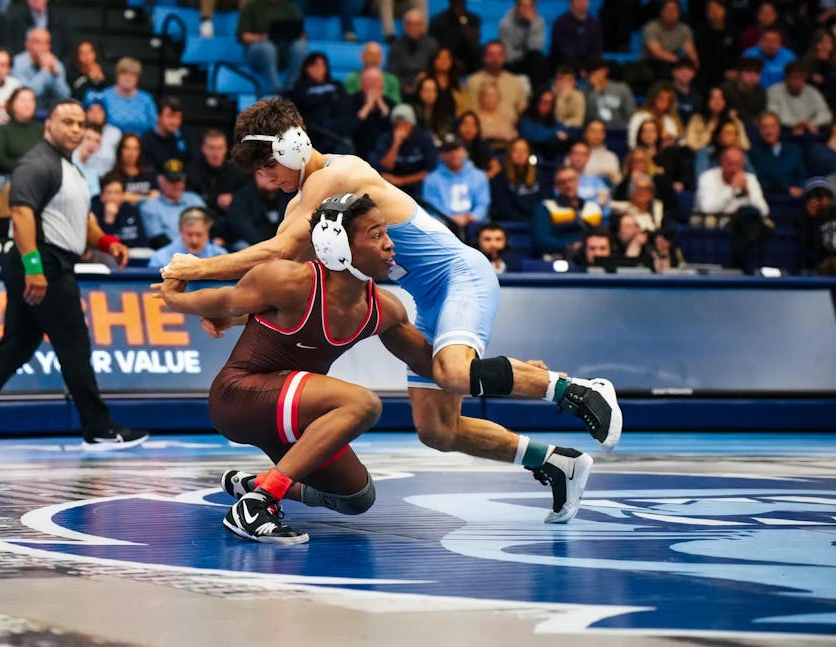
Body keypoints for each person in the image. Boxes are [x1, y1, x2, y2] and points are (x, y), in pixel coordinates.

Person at [161, 99, 621, 522]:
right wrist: (233, 314)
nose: (268, 178)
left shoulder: (336, 178)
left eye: (268, 166)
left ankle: (575, 390)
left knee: (453, 373)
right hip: (427, 295)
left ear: (293, 143)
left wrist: (197, 266)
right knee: (437, 429)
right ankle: (555, 462)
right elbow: (289, 276)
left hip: (460, 275)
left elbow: (280, 252)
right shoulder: (307, 197)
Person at [153, 194, 440, 542]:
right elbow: (220, 301)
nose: (389, 244)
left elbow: (433, 365)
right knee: (362, 404)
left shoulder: (384, 308)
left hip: (288, 414)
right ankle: (258, 504)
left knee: (356, 498)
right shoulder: (289, 280)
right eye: (376, 234)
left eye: (386, 233)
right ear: (338, 244)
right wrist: (173, 294)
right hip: (239, 396)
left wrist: (502, 372)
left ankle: (256, 484)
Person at [0, 98, 146, 453]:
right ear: (49, 125)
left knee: (16, 346)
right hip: (42, 263)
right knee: (73, 343)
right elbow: (21, 214)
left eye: (80, 123)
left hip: (45, 262)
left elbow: (82, 221)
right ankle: (99, 428)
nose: (76, 129)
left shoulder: (70, 168)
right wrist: (34, 267)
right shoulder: (38, 163)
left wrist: (108, 242)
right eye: (67, 122)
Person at [421, 132, 489, 235]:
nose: (453, 154)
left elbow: (483, 203)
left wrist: (473, 217)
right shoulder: (431, 179)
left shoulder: (479, 176)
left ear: (465, 151)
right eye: (448, 150)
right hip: (443, 227)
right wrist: (451, 218)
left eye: (457, 149)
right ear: (440, 155)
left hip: (475, 226)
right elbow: (432, 207)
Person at [236, 0, 309, 93]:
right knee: (267, 47)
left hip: (284, 50)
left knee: (300, 46)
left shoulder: (290, 8)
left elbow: (302, 34)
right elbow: (243, 36)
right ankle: (276, 88)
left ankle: (292, 87)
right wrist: (263, 37)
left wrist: (299, 36)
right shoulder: (251, 7)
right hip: (258, 51)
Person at [532, 164, 605, 256]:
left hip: (592, 256)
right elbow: (542, 239)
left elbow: (603, 236)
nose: (568, 185)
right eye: (562, 182)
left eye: (571, 180)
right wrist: (569, 246)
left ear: (578, 182)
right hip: (560, 256)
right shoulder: (546, 207)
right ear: (556, 186)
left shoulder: (593, 207)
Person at [369, 104, 439, 200]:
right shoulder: (385, 139)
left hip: (418, 188)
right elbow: (384, 167)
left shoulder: (424, 139)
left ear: (412, 124)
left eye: (405, 123)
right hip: (392, 189)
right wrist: (396, 144)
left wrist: (402, 181)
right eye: (397, 123)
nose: (401, 126)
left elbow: (430, 171)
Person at [138, 158, 207, 248]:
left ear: (184, 180)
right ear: (161, 180)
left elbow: (208, 226)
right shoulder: (150, 206)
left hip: (201, 248)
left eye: (179, 180)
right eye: (171, 181)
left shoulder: (194, 199)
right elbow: (158, 240)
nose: (176, 185)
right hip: (170, 254)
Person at [185, 128, 246, 225]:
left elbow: (247, 194)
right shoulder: (192, 170)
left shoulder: (235, 171)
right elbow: (189, 198)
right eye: (211, 148)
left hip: (231, 221)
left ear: (226, 149)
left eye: (220, 148)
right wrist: (215, 200)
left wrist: (233, 198)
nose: (216, 153)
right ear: (203, 148)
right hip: (200, 220)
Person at [221, 169, 292, 248]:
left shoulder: (289, 194)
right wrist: (268, 246)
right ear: (254, 176)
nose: (269, 178)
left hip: (281, 243)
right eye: (262, 174)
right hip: (253, 244)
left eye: (273, 173)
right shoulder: (243, 197)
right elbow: (244, 229)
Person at [746, 110, 808, 197]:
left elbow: (802, 175)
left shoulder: (793, 149)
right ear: (759, 130)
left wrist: (800, 188)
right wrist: (786, 188)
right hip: (769, 197)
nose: (769, 131)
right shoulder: (752, 151)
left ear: (779, 128)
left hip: (794, 197)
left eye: (773, 126)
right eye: (764, 127)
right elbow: (760, 179)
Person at [766, 61, 833, 136]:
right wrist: (796, 124)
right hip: (784, 132)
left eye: (802, 79)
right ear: (786, 78)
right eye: (795, 78)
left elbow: (826, 114)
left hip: (810, 131)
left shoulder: (812, 91)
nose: (799, 82)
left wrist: (810, 124)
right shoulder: (774, 91)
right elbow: (773, 115)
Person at [11, 27, 71, 111]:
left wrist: (55, 75)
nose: (43, 47)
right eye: (37, 42)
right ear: (27, 44)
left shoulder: (55, 63)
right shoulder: (17, 63)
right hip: (25, 110)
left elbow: (65, 96)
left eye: (46, 43)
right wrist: (45, 70)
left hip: (50, 110)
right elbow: (28, 94)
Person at [148, 206, 227, 268]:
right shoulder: (160, 258)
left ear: (208, 231)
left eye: (199, 234)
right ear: (180, 230)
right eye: (189, 234)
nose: (194, 241)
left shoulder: (221, 256)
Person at [498, 0, 549, 91]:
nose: (527, 10)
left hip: (529, 60)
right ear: (516, 7)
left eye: (530, 7)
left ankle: (539, 94)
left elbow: (535, 48)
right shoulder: (505, 23)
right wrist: (524, 54)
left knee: (538, 59)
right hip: (512, 62)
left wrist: (531, 24)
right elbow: (508, 55)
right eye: (524, 7)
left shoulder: (538, 21)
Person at [386, 8, 438, 96]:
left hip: (426, 88)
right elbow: (392, 72)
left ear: (423, 26)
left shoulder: (432, 45)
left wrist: (420, 82)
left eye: (417, 24)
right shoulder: (396, 46)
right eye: (409, 24)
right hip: (402, 89)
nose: (414, 28)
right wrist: (405, 86)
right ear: (405, 26)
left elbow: (435, 70)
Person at [0, 87, 44, 174]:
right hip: (14, 175)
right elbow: (0, 160)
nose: (28, 104)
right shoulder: (3, 130)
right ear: (12, 104)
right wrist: (25, 169)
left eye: (31, 100)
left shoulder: (41, 129)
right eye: (23, 100)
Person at [100, 57, 157, 136]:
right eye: (124, 74)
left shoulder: (146, 99)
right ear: (117, 76)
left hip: (140, 144)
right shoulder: (104, 96)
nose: (128, 78)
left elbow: (153, 126)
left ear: (138, 78)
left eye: (132, 75)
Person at [92, 175, 148, 249]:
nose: (113, 197)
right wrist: (109, 220)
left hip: (134, 253)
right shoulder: (95, 212)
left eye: (117, 193)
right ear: (102, 196)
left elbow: (143, 240)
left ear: (123, 195)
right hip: (110, 255)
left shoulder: (131, 210)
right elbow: (102, 244)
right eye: (109, 193)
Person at [429, 0, 482, 75]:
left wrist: (466, 28)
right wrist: (452, 61)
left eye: (461, 2)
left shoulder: (473, 19)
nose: (459, 4)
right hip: (446, 61)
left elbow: (475, 42)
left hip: (470, 63)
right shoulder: (438, 21)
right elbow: (435, 47)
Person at [141, 98, 195, 171]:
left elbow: (194, 163)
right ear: (158, 117)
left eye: (178, 117)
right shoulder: (146, 140)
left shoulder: (187, 136)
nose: (174, 121)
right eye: (170, 116)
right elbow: (146, 169)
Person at [550, 0, 603, 73]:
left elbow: (596, 50)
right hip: (566, 65)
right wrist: (581, 69)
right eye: (578, 0)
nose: (582, 3)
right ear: (571, 3)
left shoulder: (594, 25)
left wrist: (591, 68)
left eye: (584, 0)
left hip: (588, 67)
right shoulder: (562, 24)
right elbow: (564, 52)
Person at [583, 58, 636, 129]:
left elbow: (630, 113)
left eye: (598, 71)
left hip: (620, 130)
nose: (596, 75)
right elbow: (588, 116)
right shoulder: (586, 91)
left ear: (606, 71)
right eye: (592, 73)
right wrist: (595, 91)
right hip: (596, 131)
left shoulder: (621, 88)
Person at [801, 176, 835, 275]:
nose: (823, 200)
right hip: (821, 262)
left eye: (826, 195)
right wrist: (811, 218)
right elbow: (807, 247)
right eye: (817, 195)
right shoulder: (804, 220)